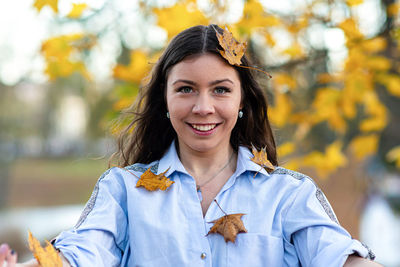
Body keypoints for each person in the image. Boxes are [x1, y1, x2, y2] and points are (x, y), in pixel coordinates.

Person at [0, 24, 382, 267]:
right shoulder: (123, 192)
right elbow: (82, 254)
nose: (203, 107)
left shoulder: (287, 193)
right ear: (164, 100)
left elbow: (337, 257)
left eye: (221, 90)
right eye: (185, 89)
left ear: (242, 102)